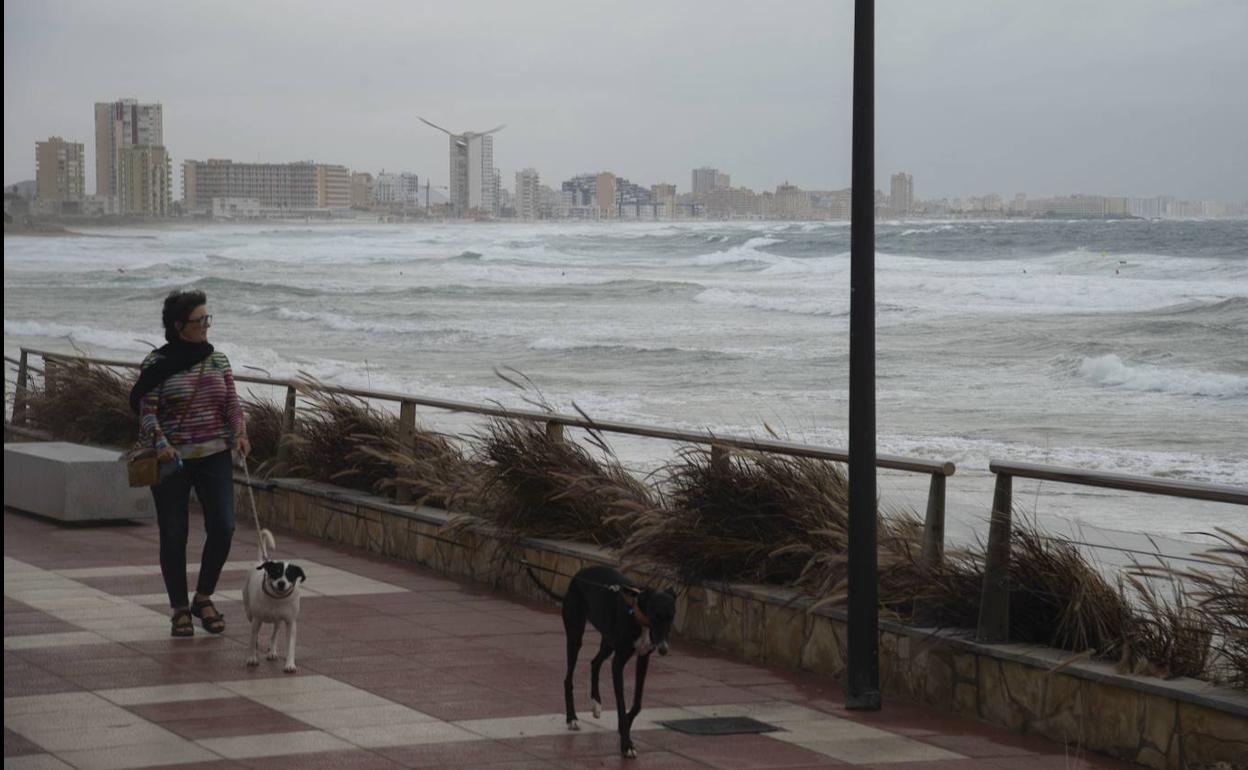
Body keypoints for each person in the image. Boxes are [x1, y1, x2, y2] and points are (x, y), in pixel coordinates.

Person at [129, 290, 250, 637]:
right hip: (173, 461)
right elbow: (146, 410)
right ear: (180, 326)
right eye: (200, 321)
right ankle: (180, 609)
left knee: (224, 527)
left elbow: (231, 404)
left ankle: (203, 596)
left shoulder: (217, 361)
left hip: (214, 455)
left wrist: (240, 433)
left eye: (208, 320)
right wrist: (162, 444)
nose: (206, 327)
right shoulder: (156, 363)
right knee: (174, 532)